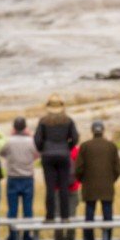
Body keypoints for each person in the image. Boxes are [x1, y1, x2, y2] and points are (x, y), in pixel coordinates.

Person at [35, 94, 80, 224]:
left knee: (50, 187)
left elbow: (37, 139)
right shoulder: (68, 121)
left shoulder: (43, 121)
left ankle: (50, 216)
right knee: (64, 186)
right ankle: (65, 216)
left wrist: (44, 148)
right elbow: (75, 138)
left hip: (48, 155)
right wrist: (67, 147)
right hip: (64, 155)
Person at [75, 120, 120, 240]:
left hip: (89, 186)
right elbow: (118, 169)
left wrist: (82, 180)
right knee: (108, 214)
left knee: (89, 214)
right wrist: (111, 180)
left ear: (92, 131)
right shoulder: (111, 146)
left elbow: (78, 168)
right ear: (103, 130)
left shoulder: (84, 146)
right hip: (107, 186)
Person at [2, 117, 40, 240]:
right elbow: (37, 154)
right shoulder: (31, 141)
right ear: (25, 127)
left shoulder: (9, 141)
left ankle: (12, 237)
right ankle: (27, 237)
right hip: (27, 177)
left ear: (14, 127)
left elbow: (2, 153)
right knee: (28, 209)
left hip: (13, 177)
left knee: (12, 210)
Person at [53, 145, 81, 240]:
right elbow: (81, 167)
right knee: (72, 216)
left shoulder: (55, 149)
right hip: (73, 187)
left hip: (57, 188)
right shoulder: (76, 150)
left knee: (57, 215)